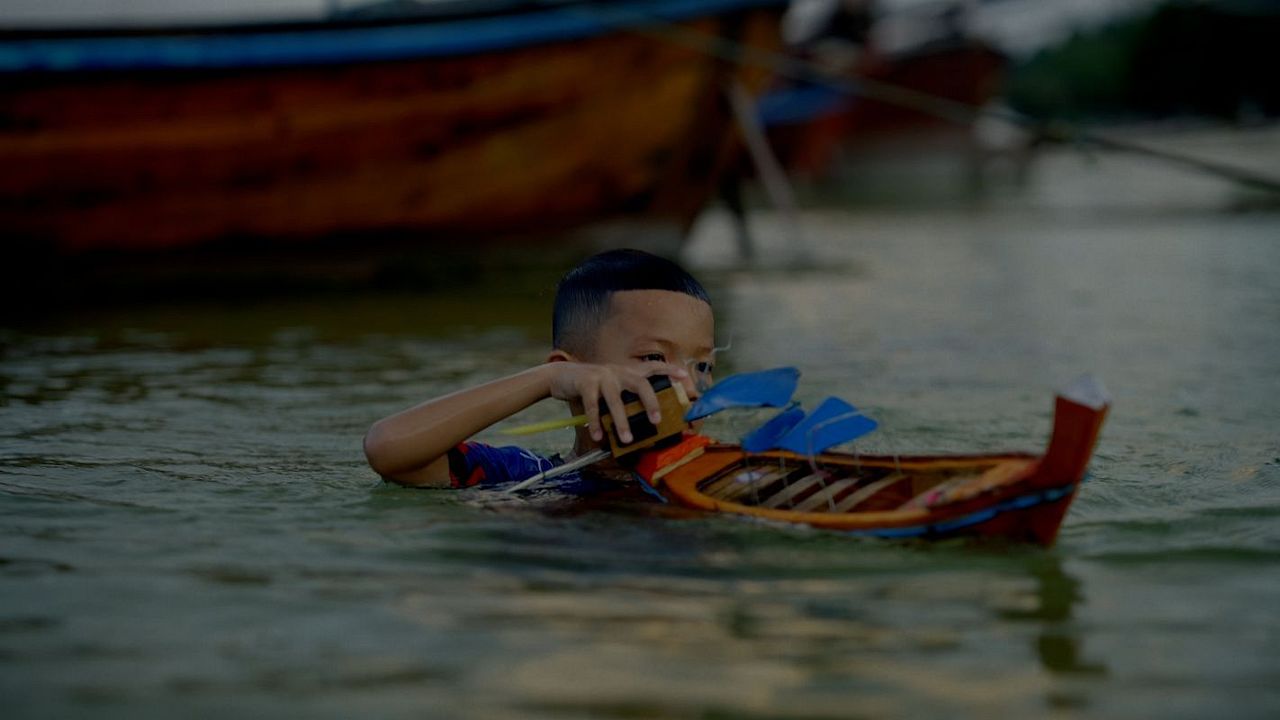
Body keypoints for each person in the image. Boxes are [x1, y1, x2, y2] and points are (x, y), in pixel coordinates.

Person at [363, 249, 715, 490]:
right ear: (572, 375)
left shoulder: (719, 473)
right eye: (654, 358)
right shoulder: (525, 476)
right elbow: (389, 449)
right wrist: (546, 380)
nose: (691, 386)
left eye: (703, 365)